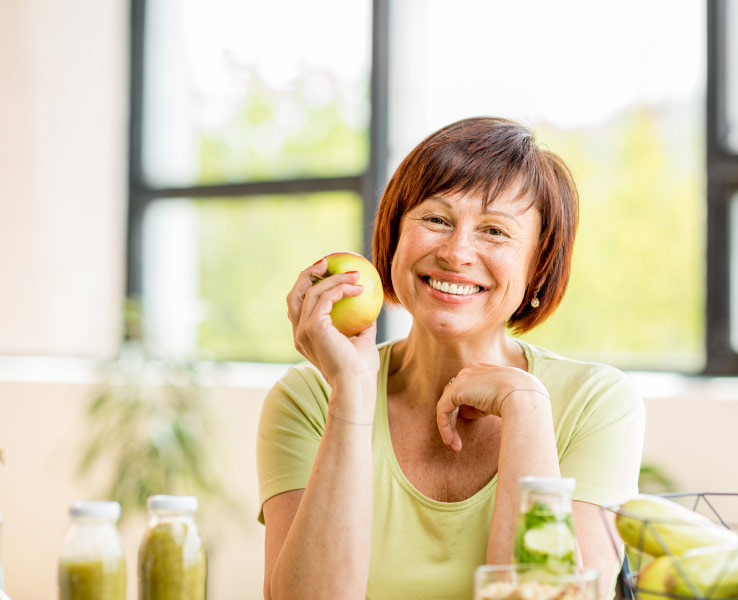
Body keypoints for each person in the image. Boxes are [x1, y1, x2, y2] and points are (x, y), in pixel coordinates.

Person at [257, 116, 645, 600]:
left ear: (538, 266)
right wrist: (352, 393)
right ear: (394, 236)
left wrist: (524, 406)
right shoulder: (309, 397)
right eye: (436, 219)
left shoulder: (595, 402)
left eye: (495, 232)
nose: (457, 252)